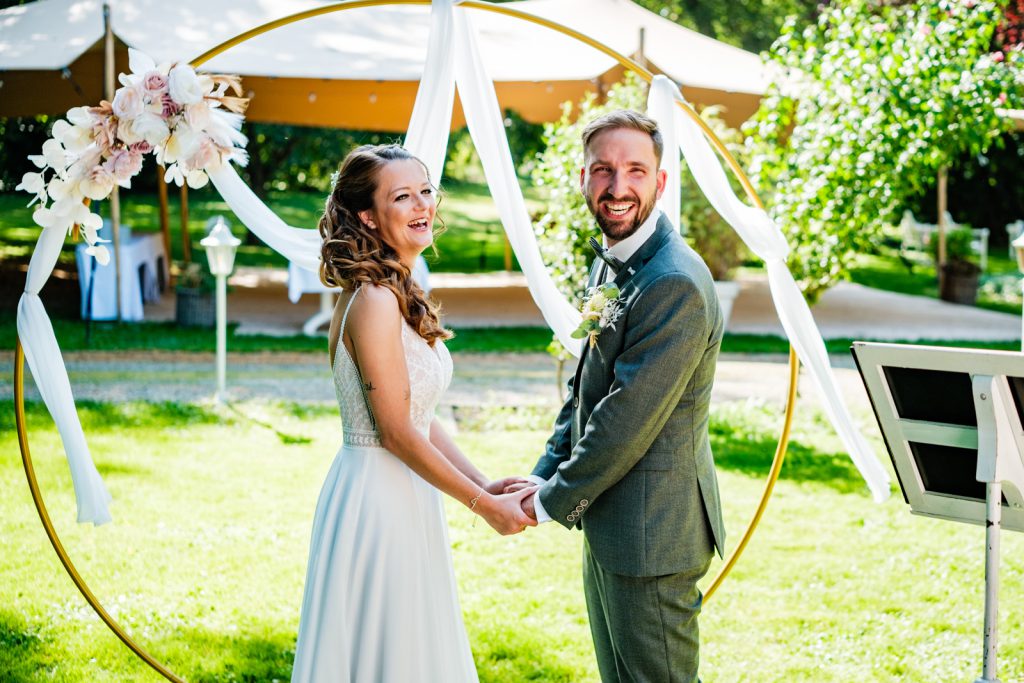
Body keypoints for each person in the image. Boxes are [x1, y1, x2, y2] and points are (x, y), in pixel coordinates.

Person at [291, 144, 536, 683]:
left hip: (406, 493)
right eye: (402, 196)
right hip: (376, 501)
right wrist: (482, 506)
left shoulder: (395, 288)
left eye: (426, 190)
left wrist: (485, 482)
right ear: (369, 216)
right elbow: (397, 433)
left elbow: (417, 415)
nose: (423, 204)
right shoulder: (374, 299)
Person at [513, 111, 726, 682]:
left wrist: (550, 500)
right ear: (584, 178)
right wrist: (545, 472)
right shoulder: (612, 261)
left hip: (653, 535)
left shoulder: (672, 282)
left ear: (660, 183)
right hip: (614, 524)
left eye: (635, 170)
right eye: (603, 169)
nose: (617, 186)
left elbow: (625, 420)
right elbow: (586, 386)